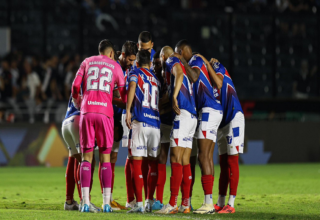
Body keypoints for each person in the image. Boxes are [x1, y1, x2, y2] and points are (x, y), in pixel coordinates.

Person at [71, 39, 126, 213]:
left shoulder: (87, 61)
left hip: (87, 112)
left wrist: (78, 101)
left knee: (86, 158)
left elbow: (74, 86)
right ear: (111, 53)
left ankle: (85, 203)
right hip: (105, 114)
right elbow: (124, 95)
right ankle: (106, 204)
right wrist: (113, 98)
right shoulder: (115, 66)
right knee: (105, 158)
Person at [173, 40, 223, 214]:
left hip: (209, 110)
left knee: (203, 157)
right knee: (206, 157)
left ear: (181, 52)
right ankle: (206, 201)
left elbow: (194, 76)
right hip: (209, 110)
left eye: (177, 54)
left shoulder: (195, 60)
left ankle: (208, 202)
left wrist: (181, 61)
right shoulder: (197, 61)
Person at [155, 46, 197, 214]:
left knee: (174, 158)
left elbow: (178, 72)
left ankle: (172, 203)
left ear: (164, 55)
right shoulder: (185, 71)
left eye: (160, 57)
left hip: (183, 114)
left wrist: (173, 96)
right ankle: (185, 204)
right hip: (192, 116)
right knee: (185, 160)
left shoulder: (172, 60)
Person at [99, 40, 137, 211]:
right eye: (129, 60)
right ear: (122, 55)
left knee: (112, 157)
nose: (131, 63)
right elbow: (108, 94)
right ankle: (102, 198)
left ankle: (110, 197)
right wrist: (125, 103)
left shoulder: (129, 70)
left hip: (116, 118)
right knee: (98, 157)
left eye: (133, 60)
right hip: (104, 115)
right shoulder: (113, 67)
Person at [125, 50, 161, 213]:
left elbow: (132, 86)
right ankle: (149, 201)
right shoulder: (156, 79)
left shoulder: (135, 72)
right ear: (150, 63)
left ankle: (139, 204)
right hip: (155, 125)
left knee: (136, 163)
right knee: (153, 164)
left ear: (137, 63)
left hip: (140, 122)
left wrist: (128, 111)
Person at [210, 58, 245, 214]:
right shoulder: (203, 84)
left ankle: (231, 203)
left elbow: (219, 81)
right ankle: (221, 202)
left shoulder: (215, 67)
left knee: (232, 160)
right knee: (223, 162)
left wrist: (208, 63)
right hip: (221, 123)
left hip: (233, 117)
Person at [152, 50, 172, 210]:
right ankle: (157, 199)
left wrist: (157, 106)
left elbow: (170, 97)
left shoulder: (168, 73)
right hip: (161, 122)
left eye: (158, 63)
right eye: (154, 64)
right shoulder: (152, 78)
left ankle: (186, 200)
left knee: (179, 159)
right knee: (160, 159)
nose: (155, 66)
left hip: (173, 120)